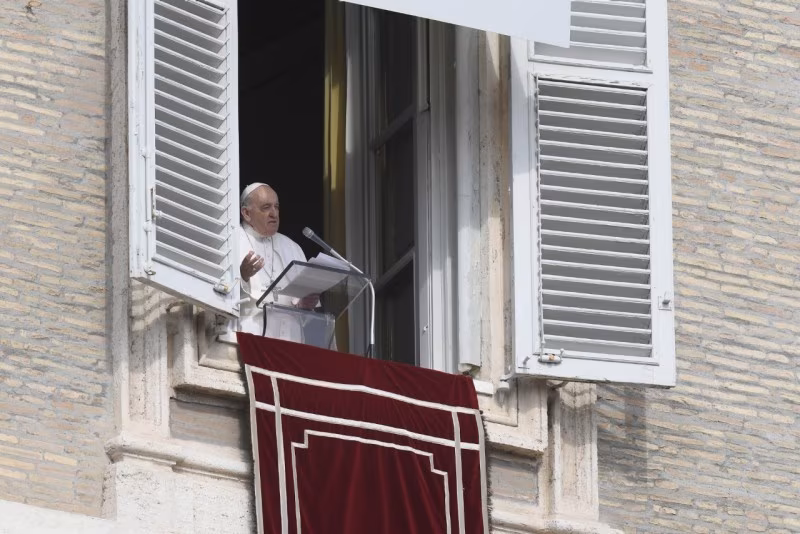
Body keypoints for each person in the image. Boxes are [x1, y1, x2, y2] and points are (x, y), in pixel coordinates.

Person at [237, 182, 315, 339]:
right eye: (266, 207)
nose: (274, 213)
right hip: (250, 334)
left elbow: (306, 314)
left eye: (276, 207)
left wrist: (305, 305)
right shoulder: (232, 240)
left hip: (290, 340)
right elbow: (218, 297)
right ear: (246, 213)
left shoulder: (293, 247)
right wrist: (243, 276)